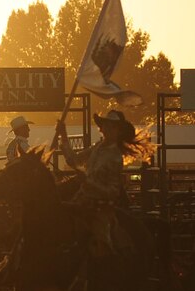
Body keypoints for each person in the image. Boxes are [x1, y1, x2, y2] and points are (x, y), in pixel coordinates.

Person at [55, 109, 151, 255]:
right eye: (106, 125)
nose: (106, 128)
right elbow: (73, 160)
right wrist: (63, 135)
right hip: (81, 201)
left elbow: (112, 192)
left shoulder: (116, 157)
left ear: (118, 131)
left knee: (101, 244)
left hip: (100, 210)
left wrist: (87, 182)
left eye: (111, 126)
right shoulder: (97, 148)